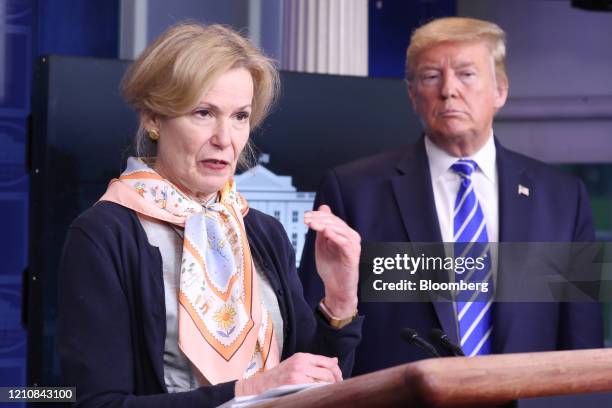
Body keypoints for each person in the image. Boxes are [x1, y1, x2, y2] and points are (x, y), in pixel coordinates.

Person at [58, 22, 362, 407]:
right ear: (153, 117)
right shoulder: (104, 233)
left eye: (240, 116)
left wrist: (339, 302)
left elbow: (316, 383)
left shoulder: (262, 232)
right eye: (203, 112)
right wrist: (247, 391)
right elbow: (97, 403)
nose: (225, 138)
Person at [299, 17, 603, 376]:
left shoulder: (564, 199)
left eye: (466, 74)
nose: (448, 90)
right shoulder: (353, 191)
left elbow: (583, 345)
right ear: (412, 94)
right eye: (431, 76)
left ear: (500, 90)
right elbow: (316, 335)